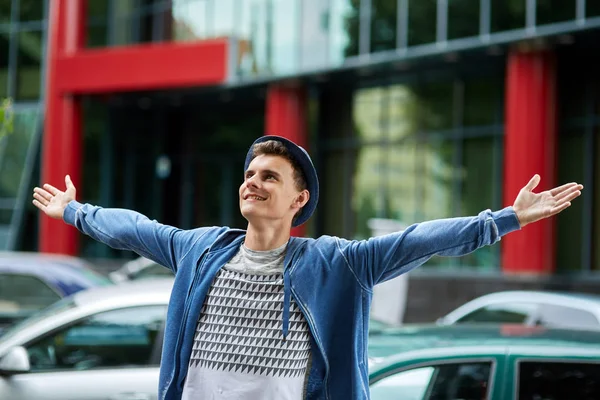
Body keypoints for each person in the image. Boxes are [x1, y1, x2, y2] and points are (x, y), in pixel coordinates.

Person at [33, 135, 583, 400]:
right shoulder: (200, 249)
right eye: (251, 173)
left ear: (299, 200)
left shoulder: (338, 263)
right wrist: (75, 211)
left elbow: (421, 240)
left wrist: (506, 218)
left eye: (270, 176)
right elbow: (135, 228)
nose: (253, 181)